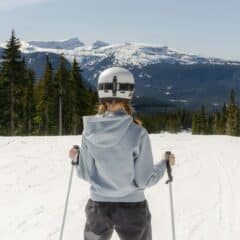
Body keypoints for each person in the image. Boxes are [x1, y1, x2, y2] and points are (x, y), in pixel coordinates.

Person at [69, 67, 175, 240]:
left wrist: (77, 158)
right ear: (129, 94)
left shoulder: (89, 132)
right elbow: (144, 179)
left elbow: (86, 173)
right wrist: (164, 164)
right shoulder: (137, 132)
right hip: (132, 209)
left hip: (98, 208)